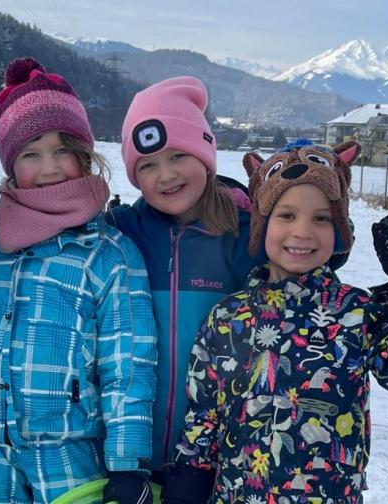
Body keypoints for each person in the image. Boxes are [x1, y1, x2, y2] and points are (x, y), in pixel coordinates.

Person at [160, 143, 388, 504]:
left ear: (340, 229)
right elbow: (203, 416)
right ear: (262, 224)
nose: (302, 232)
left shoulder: (357, 311)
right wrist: (187, 483)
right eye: (286, 215)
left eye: (321, 219)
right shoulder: (227, 317)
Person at [0, 58, 157, 504]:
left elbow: (129, 368)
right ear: (11, 165)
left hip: (68, 458)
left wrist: (127, 465)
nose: (48, 168)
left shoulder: (111, 255)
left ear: (84, 155)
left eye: (62, 149)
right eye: (30, 153)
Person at [111, 76, 263, 478]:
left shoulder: (245, 237)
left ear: (205, 155)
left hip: (214, 459)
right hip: (132, 456)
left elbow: (301, 256)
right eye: (147, 165)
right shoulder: (123, 232)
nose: (166, 176)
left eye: (178, 155)